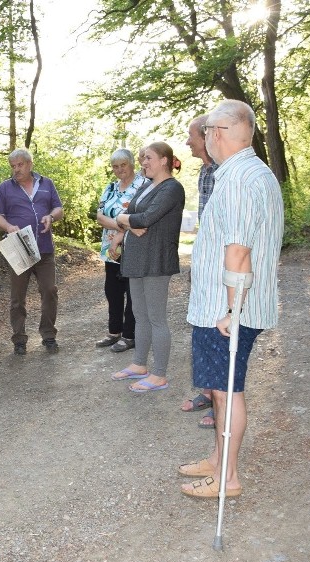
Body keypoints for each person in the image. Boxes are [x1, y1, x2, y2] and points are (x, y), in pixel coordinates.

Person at [178, 99, 284, 498]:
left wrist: (230, 311)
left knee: (225, 390)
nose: (204, 139)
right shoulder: (253, 173)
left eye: (206, 132)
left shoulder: (238, 180)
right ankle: (218, 460)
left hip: (223, 310)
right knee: (223, 388)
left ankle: (228, 478)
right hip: (228, 306)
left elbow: (238, 252)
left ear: (218, 134)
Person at [113, 143, 185, 392]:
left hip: (156, 260)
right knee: (140, 316)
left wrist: (125, 220)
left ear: (165, 160)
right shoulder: (146, 185)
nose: (143, 162)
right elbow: (128, 215)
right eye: (143, 158)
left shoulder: (172, 188)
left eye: (149, 158)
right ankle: (139, 364)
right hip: (135, 259)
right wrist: (126, 221)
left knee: (156, 319)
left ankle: (159, 374)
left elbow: (145, 218)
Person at [0, 148, 64, 355]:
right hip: (19, 249)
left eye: (20, 165)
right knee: (17, 297)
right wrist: (8, 227)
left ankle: (49, 336)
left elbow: (59, 209)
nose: (16, 170)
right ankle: (19, 339)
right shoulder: (5, 188)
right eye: (13, 166)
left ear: (30, 164)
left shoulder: (47, 184)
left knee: (50, 290)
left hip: (44, 249)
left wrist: (51, 216)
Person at [183, 114, 221, 428]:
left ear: (206, 136)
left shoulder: (225, 171)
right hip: (205, 258)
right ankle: (207, 392)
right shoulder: (205, 171)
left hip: (222, 262)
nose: (187, 142)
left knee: (217, 331)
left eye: (191, 136)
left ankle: (220, 403)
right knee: (202, 327)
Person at [95, 148, 146, 353]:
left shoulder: (143, 186)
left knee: (132, 292)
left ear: (132, 164)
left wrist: (121, 225)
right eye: (115, 166)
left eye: (123, 165)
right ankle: (114, 331)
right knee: (112, 291)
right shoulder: (110, 188)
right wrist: (121, 224)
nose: (119, 170)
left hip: (134, 247)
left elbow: (141, 217)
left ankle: (129, 335)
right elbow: (99, 217)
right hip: (111, 249)